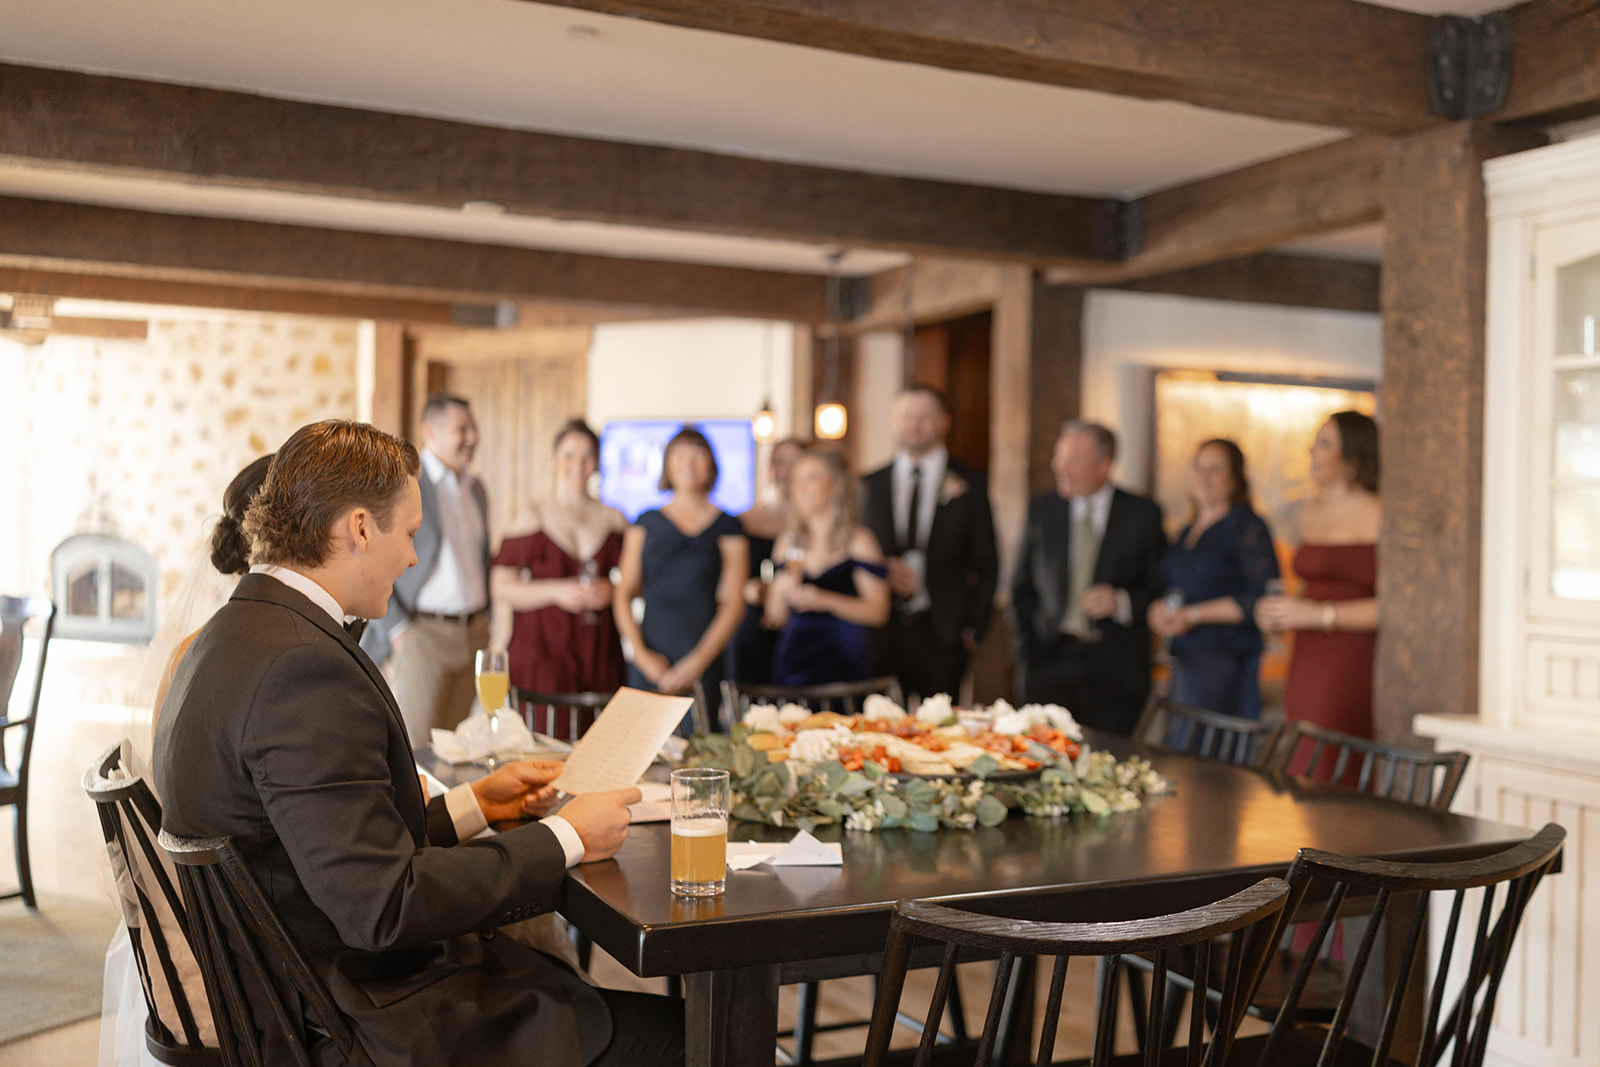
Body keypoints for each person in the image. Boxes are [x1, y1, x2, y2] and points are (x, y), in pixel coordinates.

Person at [153, 419, 682, 1066]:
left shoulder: (233, 634)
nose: (410, 556)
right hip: (358, 1022)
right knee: (700, 1037)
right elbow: (382, 905)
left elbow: (327, 844)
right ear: (359, 527)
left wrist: (475, 805)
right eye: (409, 532)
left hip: (310, 990)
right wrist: (568, 835)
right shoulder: (299, 668)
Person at [1011, 421, 1166, 735]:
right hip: (1049, 661)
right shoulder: (1043, 510)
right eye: (1059, 457)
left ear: (1103, 465)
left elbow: (1160, 589)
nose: (1060, 468)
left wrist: (1121, 601)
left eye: (1073, 461)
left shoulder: (1143, 515)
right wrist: (1026, 651)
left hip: (1117, 669)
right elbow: (1020, 588)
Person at [360, 394, 490, 741]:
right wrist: (398, 628)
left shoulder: (476, 489)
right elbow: (371, 555)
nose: (472, 438)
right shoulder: (404, 485)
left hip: (473, 633)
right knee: (415, 747)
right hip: (423, 635)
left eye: (473, 428)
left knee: (452, 746)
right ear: (430, 431)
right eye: (462, 429)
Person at [861, 386, 998, 702]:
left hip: (943, 633)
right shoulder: (870, 484)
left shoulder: (970, 485)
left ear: (943, 422)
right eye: (906, 416)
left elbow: (988, 565)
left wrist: (970, 631)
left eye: (924, 417)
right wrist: (881, 570)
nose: (914, 424)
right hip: (882, 630)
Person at [490, 419, 627, 733]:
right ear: (554, 460)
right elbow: (500, 587)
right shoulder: (532, 513)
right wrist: (557, 591)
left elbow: (636, 582)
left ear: (597, 463)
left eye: (586, 456)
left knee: (599, 747)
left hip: (598, 650)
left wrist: (612, 588)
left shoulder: (614, 518)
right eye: (568, 455)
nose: (577, 464)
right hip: (542, 650)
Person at [613, 426, 748, 732]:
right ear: (666, 464)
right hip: (651, 653)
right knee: (643, 749)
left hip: (704, 654)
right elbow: (623, 593)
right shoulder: (645, 522)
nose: (689, 462)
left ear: (711, 464)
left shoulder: (729, 526)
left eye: (698, 454)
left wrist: (697, 662)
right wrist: (640, 654)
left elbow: (734, 603)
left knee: (699, 752)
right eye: (680, 454)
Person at [1257, 410, 1381, 739]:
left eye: (1324, 444)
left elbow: (1394, 607)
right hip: (1306, 653)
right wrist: (1281, 611)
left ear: (1352, 455)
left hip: (1350, 656)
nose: (1312, 452)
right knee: (1300, 743)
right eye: (1314, 444)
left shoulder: (1377, 514)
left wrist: (1317, 614)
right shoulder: (1309, 513)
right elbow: (1310, 588)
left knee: (1328, 749)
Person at [1147, 439, 1280, 719]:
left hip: (1224, 659)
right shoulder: (1186, 531)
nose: (1204, 478)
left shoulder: (1246, 526)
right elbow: (1169, 586)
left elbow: (1259, 599)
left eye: (1215, 470)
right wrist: (1158, 612)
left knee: (1206, 747)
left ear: (1235, 478)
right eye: (1199, 469)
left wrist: (1193, 615)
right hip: (1183, 656)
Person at [764, 447, 890, 686]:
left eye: (811, 478)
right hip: (794, 659)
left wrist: (824, 600)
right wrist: (779, 593)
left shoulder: (859, 540)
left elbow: (878, 612)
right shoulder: (787, 541)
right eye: (797, 480)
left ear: (836, 485)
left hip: (845, 659)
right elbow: (775, 617)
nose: (801, 488)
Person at [727, 437, 805, 684]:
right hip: (753, 629)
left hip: (803, 628)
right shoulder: (745, 520)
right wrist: (748, 589)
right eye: (778, 462)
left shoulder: (819, 526)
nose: (784, 470)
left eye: (793, 463)